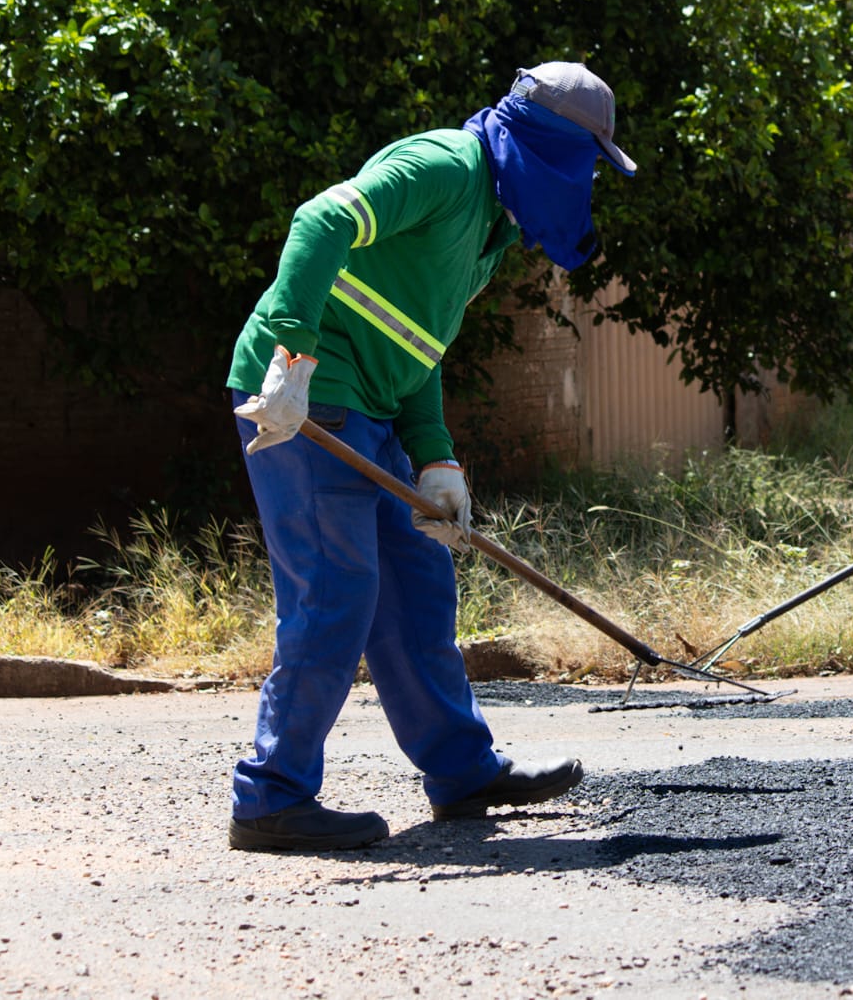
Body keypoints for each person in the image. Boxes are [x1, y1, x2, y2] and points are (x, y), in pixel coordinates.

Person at [225, 62, 637, 851]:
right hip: (301, 401)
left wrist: (435, 458)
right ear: (552, 146)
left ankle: (461, 769)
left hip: (371, 404)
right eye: (588, 163)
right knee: (336, 589)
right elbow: (320, 221)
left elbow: (414, 343)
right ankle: (270, 797)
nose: (586, 181)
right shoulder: (446, 166)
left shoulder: (490, 227)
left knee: (417, 589)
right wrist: (294, 357)